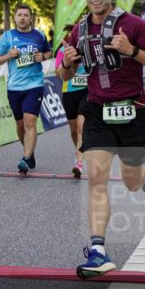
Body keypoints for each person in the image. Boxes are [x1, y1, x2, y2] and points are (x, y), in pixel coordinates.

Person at [59, 0, 145, 278]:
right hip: (96, 110)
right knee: (95, 178)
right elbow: (64, 74)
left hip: (133, 109)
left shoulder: (132, 24)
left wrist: (133, 51)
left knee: (132, 182)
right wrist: (66, 65)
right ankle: (98, 251)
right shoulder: (79, 31)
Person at [0, 4, 51, 174]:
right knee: (20, 126)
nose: (23, 18)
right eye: (20, 15)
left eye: (26, 15)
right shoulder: (8, 36)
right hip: (14, 87)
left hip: (34, 85)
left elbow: (48, 52)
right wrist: (8, 56)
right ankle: (29, 152)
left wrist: (43, 57)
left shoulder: (39, 35)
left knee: (30, 121)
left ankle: (25, 159)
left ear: (30, 18)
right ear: (15, 17)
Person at [55, 23, 89, 178]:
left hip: (87, 91)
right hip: (69, 92)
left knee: (82, 127)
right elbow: (58, 74)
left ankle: (79, 163)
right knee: (74, 130)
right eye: (71, 34)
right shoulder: (62, 51)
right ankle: (78, 152)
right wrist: (65, 64)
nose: (73, 37)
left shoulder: (88, 48)